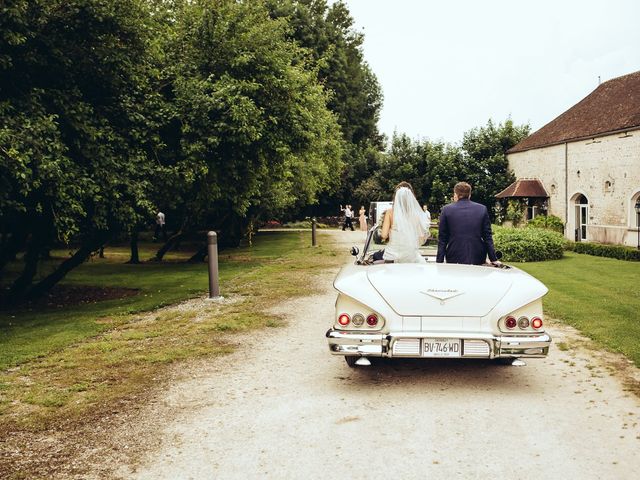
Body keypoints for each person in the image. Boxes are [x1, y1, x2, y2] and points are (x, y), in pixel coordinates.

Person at [436, 182, 500, 265]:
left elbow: (442, 239)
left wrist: (439, 261)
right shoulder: (482, 209)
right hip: (477, 256)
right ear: (470, 195)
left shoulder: (446, 210)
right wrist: (493, 258)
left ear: (455, 194)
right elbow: (487, 237)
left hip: (454, 256)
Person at [380, 182, 430, 263]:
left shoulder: (390, 213)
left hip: (392, 255)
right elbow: (421, 237)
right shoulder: (415, 215)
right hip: (410, 256)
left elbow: (384, 235)